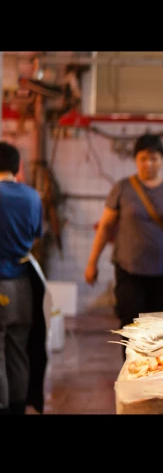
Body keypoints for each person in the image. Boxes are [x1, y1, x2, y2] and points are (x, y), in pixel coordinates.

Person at [84, 133, 163, 358]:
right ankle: (131, 376)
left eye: (154, 158)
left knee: (161, 331)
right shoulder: (123, 189)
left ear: (162, 160)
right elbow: (105, 227)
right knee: (130, 325)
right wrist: (92, 262)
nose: (148, 164)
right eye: (143, 159)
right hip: (129, 271)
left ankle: (155, 380)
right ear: (136, 160)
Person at [0, 142, 45, 415]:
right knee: (18, 349)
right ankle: (17, 407)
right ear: (18, 167)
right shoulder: (32, 197)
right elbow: (36, 235)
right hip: (24, 286)